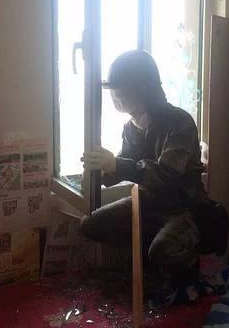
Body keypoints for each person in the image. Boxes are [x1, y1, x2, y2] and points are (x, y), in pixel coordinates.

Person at [80, 50, 211, 298]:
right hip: (148, 202)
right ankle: (148, 259)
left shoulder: (180, 122)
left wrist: (116, 165)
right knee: (91, 225)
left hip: (184, 207)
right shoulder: (131, 127)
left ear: (142, 90)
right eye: (113, 91)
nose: (114, 96)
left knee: (163, 249)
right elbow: (123, 165)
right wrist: (98, 170)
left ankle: (186, 271)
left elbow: (166, 174)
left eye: (120, 91)